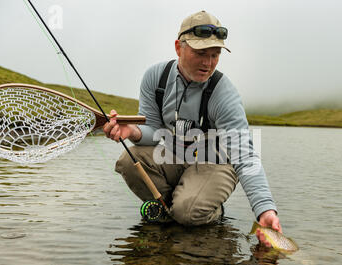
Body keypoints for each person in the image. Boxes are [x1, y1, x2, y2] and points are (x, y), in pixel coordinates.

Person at [103, 10, 282, 247]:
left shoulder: (224, 94)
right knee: (128, 161)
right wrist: (132, 133)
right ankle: (173, 208)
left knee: (187, 213)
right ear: (179, 47)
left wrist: (265, 209)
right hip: (172, 156)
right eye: (200, 53)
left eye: (215, 54)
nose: (208, 63)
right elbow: (154, 132)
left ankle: (201, 209)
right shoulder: (155, 78)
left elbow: (245, 155)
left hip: (215, 163)